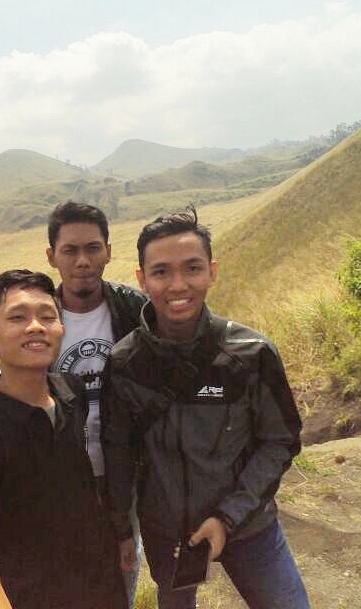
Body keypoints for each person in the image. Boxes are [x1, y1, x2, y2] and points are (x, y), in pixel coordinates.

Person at [103, 208, 311, 609]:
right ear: (142, 279)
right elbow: (119, 453)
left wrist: (227, 517)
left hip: (250, 527)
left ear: (212, 272)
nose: (178, 284)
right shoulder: (125, 363)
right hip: (167, 535)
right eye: (161, 272)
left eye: (192, 268)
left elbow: (280, 441)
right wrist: (122, 530)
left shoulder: (250, 354)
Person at [0, 269, 127, 609]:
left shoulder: (70, 391)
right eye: (17, 317)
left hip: (101, 583)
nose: (36, 326)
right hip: (35, 594)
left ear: (61, 328)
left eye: (47, 316)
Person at [45, 201, 148, 602]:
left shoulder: (137, 311)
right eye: (70, 250)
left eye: (93, 248)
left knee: (123, 571)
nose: (83, 261)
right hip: (63, 475)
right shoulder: (40, 318)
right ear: (51, 256)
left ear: (108, 251)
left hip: (127, 471)